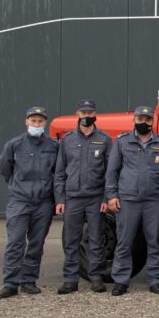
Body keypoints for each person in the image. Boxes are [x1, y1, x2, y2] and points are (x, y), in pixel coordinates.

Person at [105, 106, 159, 296]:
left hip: (153, 201)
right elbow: (112, 172)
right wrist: (112, 196)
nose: (144, 123)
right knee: (124, 241)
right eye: (140, 119)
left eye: (147, 119)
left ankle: (155, 280)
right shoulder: (121, 142)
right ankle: (120, 281)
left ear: (152, 121)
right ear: (134, 120)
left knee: (155, 241)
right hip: (128, 200)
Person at [0, 106, 59, 298]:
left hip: (43, 202)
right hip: (20, 201)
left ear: (45, 123)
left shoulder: (53, 146)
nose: (37, 124)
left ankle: (29, 280)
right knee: (15, 242)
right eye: (33, 121)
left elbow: (57, 174)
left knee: (36, 243)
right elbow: (6, 170)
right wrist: (18, 188)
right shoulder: (14, 144)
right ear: (27, 122)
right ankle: (10, 283)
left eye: (40, 121)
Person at [54, 100, 111, 294]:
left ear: (95, 114)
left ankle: (96, 278)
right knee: (72, 240)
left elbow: (109, 173)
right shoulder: (67, 140)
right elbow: (60, 172)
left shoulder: (104, 139)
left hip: (95, 197)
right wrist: (60, 199)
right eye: (83, 112)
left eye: (90, 112)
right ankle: (70, 280)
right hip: (73, 198)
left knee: (96, 239)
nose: (86, 116)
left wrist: (105, 198)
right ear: (77, 114)